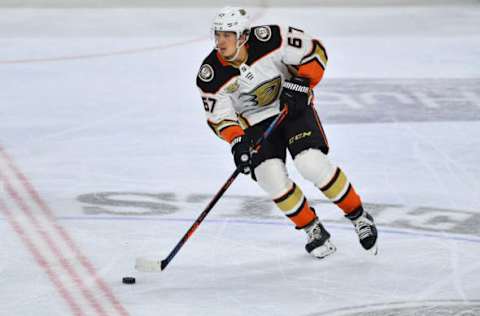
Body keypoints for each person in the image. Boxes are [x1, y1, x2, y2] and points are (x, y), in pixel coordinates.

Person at [196, 7, 378, 259]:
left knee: (310, 164)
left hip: (290, 107)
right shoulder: (211, 75)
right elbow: (221, 118)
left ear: (243, 36)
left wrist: (303, 83)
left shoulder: (271, 39)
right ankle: (313, 229)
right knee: (269, 177)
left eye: (228, 35)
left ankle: (359, 216)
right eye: (218, 34)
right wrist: (237, 142)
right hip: (256, 124)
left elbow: (315, 52)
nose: (220, 41)